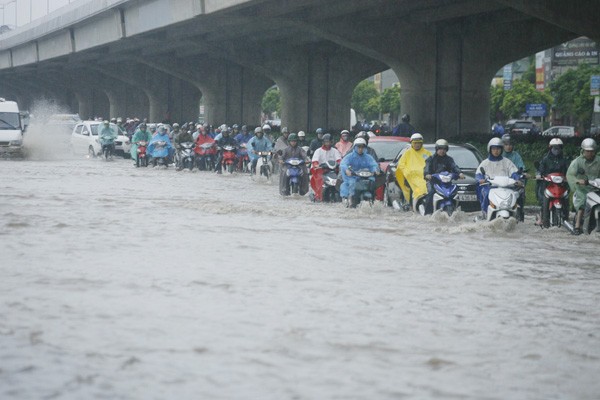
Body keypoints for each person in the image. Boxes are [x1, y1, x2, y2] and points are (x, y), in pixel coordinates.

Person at [475, 137, 522, 219]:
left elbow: (514, 172)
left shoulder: (507, 162)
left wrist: (517, 179)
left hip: (506, 187)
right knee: (486, 194)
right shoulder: (485, 163)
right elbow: (478, 174)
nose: (496, 151)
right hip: (490, 187)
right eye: (494, 149)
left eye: (498, 149)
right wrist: (480, 179)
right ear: (490, 149)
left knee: (516, 195)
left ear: (501, 150)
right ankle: (485, 213)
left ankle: (516, 215)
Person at [566, 138, 600, 235]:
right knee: (582, 204)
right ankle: (577, 225)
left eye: (591, 151)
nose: (589, 153)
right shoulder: (577, 162)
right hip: (583, 189)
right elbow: (570, 174)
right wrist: (577, 181)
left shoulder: (599, 161)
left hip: (596, 188)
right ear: (583, 150)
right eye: (587, 151)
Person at [423, 139, 464, 215]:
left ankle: (459, 211)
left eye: (444, 149)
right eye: (440, 148)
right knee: (431, 193)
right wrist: (427, 174)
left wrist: (459, 173)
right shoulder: (430, 159)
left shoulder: (449, 159)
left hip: (446, 183)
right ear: (437, 149)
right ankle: (428, 214)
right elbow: (426, 168)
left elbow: (454, 167)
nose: (442, 151)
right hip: (433, 182)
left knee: (455, 193)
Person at [535, 138, 570, 225]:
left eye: (558, 148)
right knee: (544, 198)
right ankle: (544, 218)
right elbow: (540, 169)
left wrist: (568, 177)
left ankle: (566, 217)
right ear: (550, 148)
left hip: (561, 185)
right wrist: (539, 174)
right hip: (548, 185)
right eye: (554, 148)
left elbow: (569, 170)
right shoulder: (545, 160)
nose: (556, 150)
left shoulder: (564, 160)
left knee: (566, 198)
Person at [396, 133, 432, 209]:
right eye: (415, 143)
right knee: (411, 188)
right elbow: (401, 165)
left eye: (419, 143)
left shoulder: (427, 153)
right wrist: (407, 172)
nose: (417, 145)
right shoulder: (407, 153)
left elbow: (432, 164)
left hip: (424, 177)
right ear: (412, 143)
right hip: (410, 177)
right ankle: (410, 204)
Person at [340, 138, 379, 206]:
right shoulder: (350, 156)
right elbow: (343, 164)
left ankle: (373, 199)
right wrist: (347, 170)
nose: (360, 149)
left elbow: (373, 164)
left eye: (362, 147)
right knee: (351, 183)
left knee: (372, 182)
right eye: (359, 147)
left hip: (365, 177)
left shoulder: (368, 157)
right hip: (353, 177)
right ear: (355, 147)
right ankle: (350, 199)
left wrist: (376, 170)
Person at [501, 134, 526, 220]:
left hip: (514, 183)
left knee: (521, 192)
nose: (508, 147)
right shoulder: (499, 155)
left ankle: (520, 212)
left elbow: (521, 167)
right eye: (506, 144)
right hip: (501, 183)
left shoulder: (516, 155)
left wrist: (522, 172)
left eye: (510, 144)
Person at [310, 133, 342, 201]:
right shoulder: (318, 151)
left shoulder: (335, 151)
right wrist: (316, 165)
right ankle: (318, 195)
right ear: (323, 142)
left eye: (329, 142)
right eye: (326, 142)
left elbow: (339, 160)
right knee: (319, 180)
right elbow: (315, 161)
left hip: (333, 171)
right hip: (322, 171)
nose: (327, 143)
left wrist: (339, 164)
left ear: (331, 142)